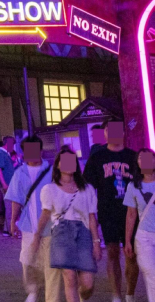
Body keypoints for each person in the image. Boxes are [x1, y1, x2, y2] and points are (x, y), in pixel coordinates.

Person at [32, 145, 101, 302]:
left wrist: (96, 242)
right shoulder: (50, 189)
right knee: (69, 277)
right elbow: (45, 214)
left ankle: (82, 296)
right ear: (57, 165)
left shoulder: (87, 189)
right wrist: (37, 236)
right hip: (62, 234)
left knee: (87, 284)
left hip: (83, 234)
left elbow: (92, 217)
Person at [84, 120, 139, 302]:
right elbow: (87, 187)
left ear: (123, 132)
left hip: (132, 212)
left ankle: (129, 294)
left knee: (132, 254)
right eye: (109, 130)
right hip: (108, 212)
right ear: (105, 133)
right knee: (112, 252)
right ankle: (116, 296)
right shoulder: (97, 158)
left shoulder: (133, 157)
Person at [6, 135, 58, 302]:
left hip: (51, 225)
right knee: (27, 260)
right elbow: (16, 199)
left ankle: (51, 297)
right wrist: (13, 221)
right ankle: (33, 290)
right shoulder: (19, 173)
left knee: (51, 264)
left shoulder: (52, 171)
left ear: (41, 150)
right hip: (28, 225)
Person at [125, 147, 155, 302]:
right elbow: (131, 215)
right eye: (141, 159)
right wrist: (128, 241)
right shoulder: (133, 186)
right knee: (151, 274)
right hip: (143, 237)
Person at [0, 136, 17, 236]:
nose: (13, 146)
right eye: (12, 144)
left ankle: (6, 229)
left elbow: (6, 169)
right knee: (10, 207)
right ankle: (10, 230)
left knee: (10, 207)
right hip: (7, 185)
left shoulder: (6, 154)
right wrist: (4, 184)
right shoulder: (1, 154)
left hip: (9, 184)